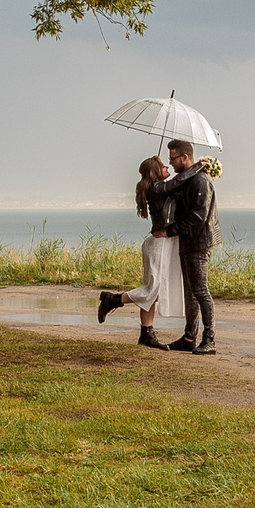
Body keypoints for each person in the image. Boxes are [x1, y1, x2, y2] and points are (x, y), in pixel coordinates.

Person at [96, 157, 187, 347]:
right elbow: (178, 181)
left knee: (152, 292)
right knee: (151, 290)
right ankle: (113, 299)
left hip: (161, 244)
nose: (167, 166)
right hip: (159, 245)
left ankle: (146, 333)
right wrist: (200, 166)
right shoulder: (156, 188)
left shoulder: (159, 190)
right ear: (155, 172)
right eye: (163, 166)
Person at [145, 139, 217, 354]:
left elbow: (198, 216)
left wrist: (169, 231)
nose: (172, 164)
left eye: (173, 159)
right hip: (187, 241)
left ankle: (210, 339)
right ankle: (189, 337)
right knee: (191, 292)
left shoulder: (201, 180)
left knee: (201, 291)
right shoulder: (187, 180)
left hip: (199, 242)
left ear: (185, 157)